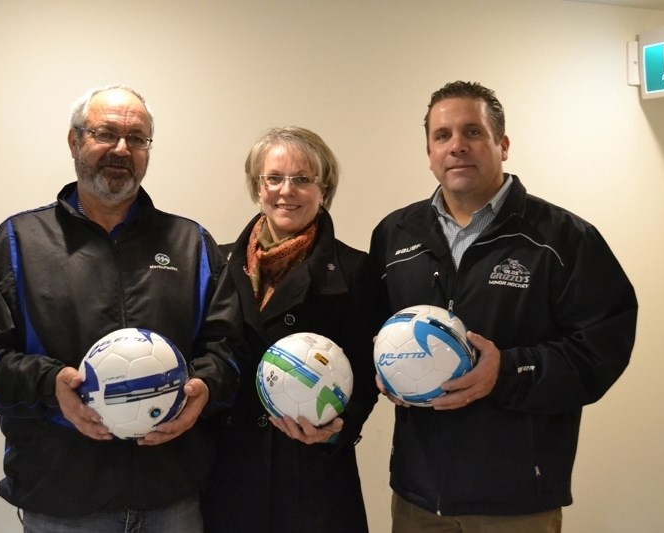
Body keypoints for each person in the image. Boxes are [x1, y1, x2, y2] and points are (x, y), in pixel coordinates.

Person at [0, 84, 242, 533]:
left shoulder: (192, 245)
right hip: (61, 501)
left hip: (172, 499)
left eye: (137, 138)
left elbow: (228, 349)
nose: (121, 149)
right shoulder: (17, 243)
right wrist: (50, 385)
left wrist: (206, 387)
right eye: (106, 133)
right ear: (74, 141)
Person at [368, 81, 638, 532]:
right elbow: (369, 329)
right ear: (430, 153)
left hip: (516, 501)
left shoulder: (563, 238)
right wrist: (381, 367)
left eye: (472, 132)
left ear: (503, 144)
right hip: (417, 496)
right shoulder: (395, 234)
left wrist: (507, 370)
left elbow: (600, 351)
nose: (457, 146)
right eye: (442, 135)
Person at [201, 126, 380, 533]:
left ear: (323, 188)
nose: (287, 191)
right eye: (274, 178)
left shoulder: (355, 270)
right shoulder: (217, 263)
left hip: (312, 477)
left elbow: (367, 376)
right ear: (257, 186)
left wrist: (338, 429)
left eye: (303, 179)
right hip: (229, 473)